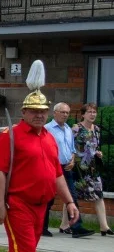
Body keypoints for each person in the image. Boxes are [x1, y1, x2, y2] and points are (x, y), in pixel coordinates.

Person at [0, 61, 78, 252]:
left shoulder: (49, 138)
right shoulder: (11, 136)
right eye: (34, 111)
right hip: (18, 204)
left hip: (43, 205)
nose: (40, 115)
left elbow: (57, 174)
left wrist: (70, 202)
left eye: (43, 111)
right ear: (24, 112)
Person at [42, 102, 89, 238]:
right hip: (52, 167)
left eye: (67, 113)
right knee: (49, 198)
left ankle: (76, 226)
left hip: (66, 168)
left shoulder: (68, 129)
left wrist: (72, 160)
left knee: (72, 196)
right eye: (62, 112)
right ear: (55, 113)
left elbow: (72, 148)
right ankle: (42, 227)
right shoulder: (47, 129)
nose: (65, 115)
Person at [71, 103, 110, 235]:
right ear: (83, 114)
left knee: (98, 194)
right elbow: (71, 146)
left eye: (94, 112)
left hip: (93, 167)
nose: (92, 114)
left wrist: (98, 153)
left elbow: (94, 147)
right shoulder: (76, 128)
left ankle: (104, 226)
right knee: (72, 196)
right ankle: (65, 224)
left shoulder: (97, 129)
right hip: (79, 167)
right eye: (89, 112)